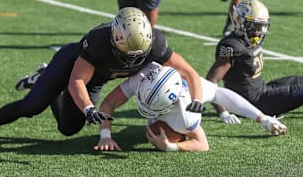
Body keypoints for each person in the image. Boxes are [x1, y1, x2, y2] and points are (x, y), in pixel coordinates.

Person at [0, 7, 204, 148]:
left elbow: (190, 72)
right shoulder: (97, 42)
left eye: (140, 54)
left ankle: (41, 79)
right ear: (115, 39)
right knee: (31, 106)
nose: (133, 59)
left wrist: (198, 100)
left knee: (69, 128)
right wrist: (89, 107)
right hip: (70, 66)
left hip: (96, 79)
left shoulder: (157, 44)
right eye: (128, 52)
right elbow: (76, 82)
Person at [94, 63, 287, 152]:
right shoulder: (142, 77)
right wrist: (106, 136)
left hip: (191, 96)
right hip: (172, 83)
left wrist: (171, 146)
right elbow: (109, 103)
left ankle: (263, 117)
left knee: (214, 91)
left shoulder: (185, 115)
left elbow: (202, 144)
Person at [206, 0, 303, 119]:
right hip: (254, 104)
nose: (259, 31)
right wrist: (223, 113)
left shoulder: (247, 40)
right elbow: (210, 81)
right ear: (240, 22)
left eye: (261, 26)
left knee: (299, 80)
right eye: (255, 26)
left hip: (263, 90)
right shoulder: (232, 45)